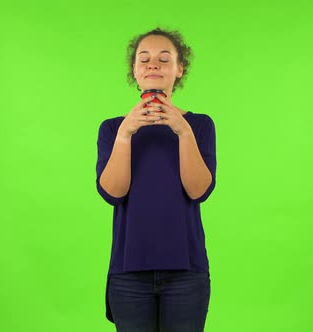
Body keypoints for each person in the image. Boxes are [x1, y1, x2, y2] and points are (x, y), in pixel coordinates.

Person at [95, 27, 217, 332]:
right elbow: (113, 192)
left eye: (164, 59)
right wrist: (126, 133)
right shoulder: (112, 129)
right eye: (144, 59)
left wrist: (182, 130)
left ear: (179, 70)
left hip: (187, 272)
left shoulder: (199, 125)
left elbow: (199, 190)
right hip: (128, 272)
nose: (153, 65)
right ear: (135, 71)